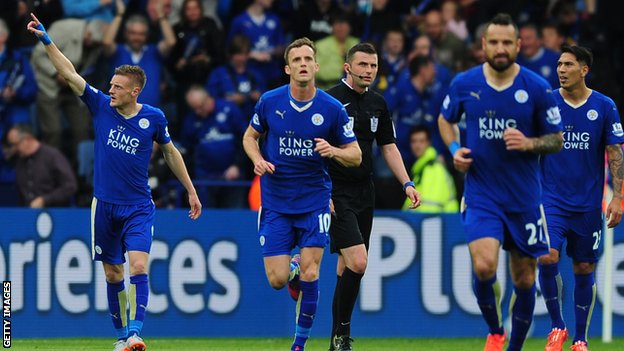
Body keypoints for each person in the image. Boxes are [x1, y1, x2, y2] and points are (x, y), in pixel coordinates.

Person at [27, 13, 201, 351]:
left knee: (138, 265)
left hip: (138, 206)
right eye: (110, 85)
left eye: (117, 87)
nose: (110, 90)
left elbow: (170, 153)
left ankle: (136, 333)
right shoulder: (100, 106)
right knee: (112, 275)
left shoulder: (154, 118)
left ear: (135, 92)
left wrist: (191, 190)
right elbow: (68, 72)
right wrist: (47, 40)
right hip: (104, 206)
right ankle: (121, 338)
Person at [437, 13, 563, 351]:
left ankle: (514, 348)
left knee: (524, 278)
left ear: (518, 45)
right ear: (483, 45)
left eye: (507, 42)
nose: (500, 48)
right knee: (484, 266)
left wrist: (529, 143)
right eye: (494, 42)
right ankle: (494, 330)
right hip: (482, 193)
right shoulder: (465, 83)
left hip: (524, 198)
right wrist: (454, 149)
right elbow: (444, 119)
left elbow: (557, 139)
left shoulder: (536, 88)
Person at [242, 37, 361, 351]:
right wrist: (257, 160)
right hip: (277, 202)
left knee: (312, 273)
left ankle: (299, 345)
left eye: (308, 59)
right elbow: (250, 137)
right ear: (287, 68)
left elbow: (356, 155)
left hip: (315, 202)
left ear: (317, 66)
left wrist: (333, 150)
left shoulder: (332, 109)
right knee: (278, 280)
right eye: (297, 60)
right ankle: (291, 271)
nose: (303, 64)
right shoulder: (270, 102)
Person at [325, 42, 420, 351]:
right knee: (359, 261)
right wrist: (321, 189)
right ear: (347, 67)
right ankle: (343, 335)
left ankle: (336, 341)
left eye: (373, 66)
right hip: (336, 191)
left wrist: (407, 183)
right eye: (362, 65)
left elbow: (388, 147)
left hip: (365, 191)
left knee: (345, 268)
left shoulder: (378, 103)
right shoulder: (329, 101)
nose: (368, 71)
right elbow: (317, 151)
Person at [538, 45, 624, 351]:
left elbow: (615, 152)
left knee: (584, 268)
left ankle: (580, 339)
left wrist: (619, 197)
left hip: (588, 204)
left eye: (568, 64)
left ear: (584, 69)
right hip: (551, 200)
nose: (561, 69)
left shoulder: (604, 105)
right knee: (546, 256)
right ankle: (557, 326)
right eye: (559, 64)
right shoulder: (547, 102)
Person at [6, 124, 77, 207]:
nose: (14, 149)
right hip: (28, 214)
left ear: (28, 139)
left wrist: (45, 200)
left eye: (15, 144)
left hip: (55, 213)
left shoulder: (52, 156)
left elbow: (70, 186)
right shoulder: (19, 160)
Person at [402, 125, 457, 213]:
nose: (417, 145)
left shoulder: (432, 168)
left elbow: (431, 206)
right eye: (414, 141)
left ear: (429, 143)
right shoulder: (421, 167)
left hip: (439, 223)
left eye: (421, 141)